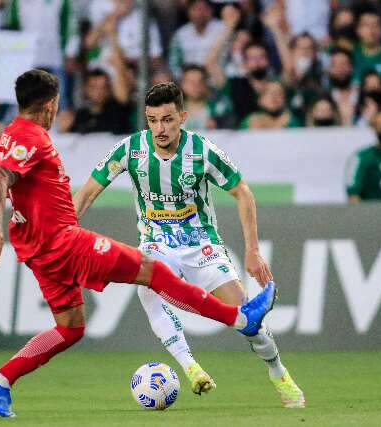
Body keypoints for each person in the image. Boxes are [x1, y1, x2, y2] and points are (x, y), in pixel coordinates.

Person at [0, 70, 276, 417]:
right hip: (63, 242)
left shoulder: (9, 136)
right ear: (51, 105)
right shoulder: (35, 139)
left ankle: (1, 380)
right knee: (153, 271)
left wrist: (28, 205)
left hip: (37, 250)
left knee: (70, 328)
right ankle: (240, 319)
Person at [73, 82, 305, 408]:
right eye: (152, 120)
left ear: (182, 117)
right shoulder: (130, 150)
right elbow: (87, 193)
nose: (159, 128)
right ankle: (191, 367)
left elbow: (243, 193)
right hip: (157, 241)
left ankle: (279, 373)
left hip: (202, 245)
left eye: (167, 119)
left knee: (249, 322)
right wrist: (66, 230)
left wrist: (252, 250)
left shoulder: (202, 151)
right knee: (147, 290)